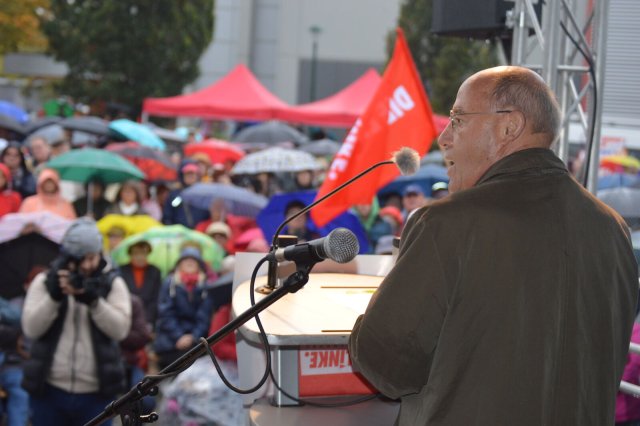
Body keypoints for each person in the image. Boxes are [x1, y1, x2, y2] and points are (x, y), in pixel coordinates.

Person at [348, 66, 638, 425]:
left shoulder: (446, 224)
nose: (444, 138)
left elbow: (386, 365)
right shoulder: (613, 229)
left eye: (457, 120)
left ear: (509, 127)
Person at [21, 217, 131, 426]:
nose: (90, 265)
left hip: (97, 394)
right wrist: (54, 298)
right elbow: (31, 329)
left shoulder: (112, 283)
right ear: (69, 258)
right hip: (50, 390)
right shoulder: (45, 282)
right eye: (84, 259)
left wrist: (94, 302)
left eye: (94, 257)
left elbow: (121, 330)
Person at [153, 246, 215, 370]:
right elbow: (166, 313)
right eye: (186, 260)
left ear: (199, 265)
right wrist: (178, 336)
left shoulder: (205, 286)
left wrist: (194, 337)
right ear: (179, 264)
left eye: (193, 260)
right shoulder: (170, 283)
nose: (189, 262)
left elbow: (204, 316)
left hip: (196, 339)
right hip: (171, 339)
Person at [118, 240, 162, 329]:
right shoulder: (122, 270)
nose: (140, 257)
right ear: (130, 254)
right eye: (136, 253)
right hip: (127, 315)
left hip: (148, 318)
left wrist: (147, 320)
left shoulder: (155, 271)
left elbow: (156, 298)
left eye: (143, 253)